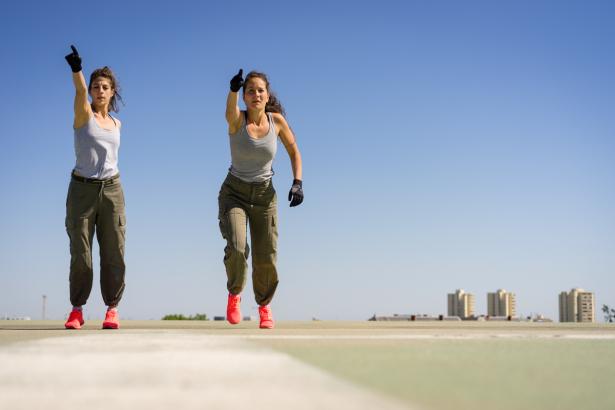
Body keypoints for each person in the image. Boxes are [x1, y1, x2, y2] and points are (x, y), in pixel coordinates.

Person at [219, 69, 303, 329]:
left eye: (260, 90)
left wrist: (297, 182)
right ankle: (234, 294)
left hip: (265, 196)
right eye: (250, 90)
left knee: (266, 254)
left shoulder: (276, 121)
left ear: (267, 95)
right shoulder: (237, 119)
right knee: (237, 245)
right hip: (235, 193)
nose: (256, 94)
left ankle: (264, 307)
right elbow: (229, 112)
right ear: (244, 96)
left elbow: (293, 150)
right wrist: (232, 90)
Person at [63, 45, 127, 330]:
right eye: (95, 86)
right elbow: (78, 92)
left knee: (114, 251)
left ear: (112, 91)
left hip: (112, 190)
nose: (100, 90)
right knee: (82, 252)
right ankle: (77, 309)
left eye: (105, 87)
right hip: (82, 190)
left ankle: (112, 309)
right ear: (90, 90)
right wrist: (77, 70)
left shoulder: (116, 123)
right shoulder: (83, 114)